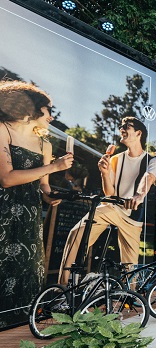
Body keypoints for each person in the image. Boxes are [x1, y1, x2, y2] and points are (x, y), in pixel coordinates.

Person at [0, 81, 73, 322]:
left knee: (28, 271)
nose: (51, 116)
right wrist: (53, 166)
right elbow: (7, 179)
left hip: (29, 218)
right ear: (32, 108)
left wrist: (52, 197)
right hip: (4, 212)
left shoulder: (45, 144)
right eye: (48, 110)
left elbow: (44, 186)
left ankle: (22, 325)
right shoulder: (3, 130)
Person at [59, 116, 156, 283]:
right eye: (121, 126)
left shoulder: (151, 160)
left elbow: (147, 179)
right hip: (112, 208)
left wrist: (138, 196)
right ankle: (63, 288)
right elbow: (109, 192)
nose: (122, 128)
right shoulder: (116, 159)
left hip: (133, 218)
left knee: (130, 267)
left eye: (127, 126)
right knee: (76, 234)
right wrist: (104, 172)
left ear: (138, 133)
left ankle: (128, 299)